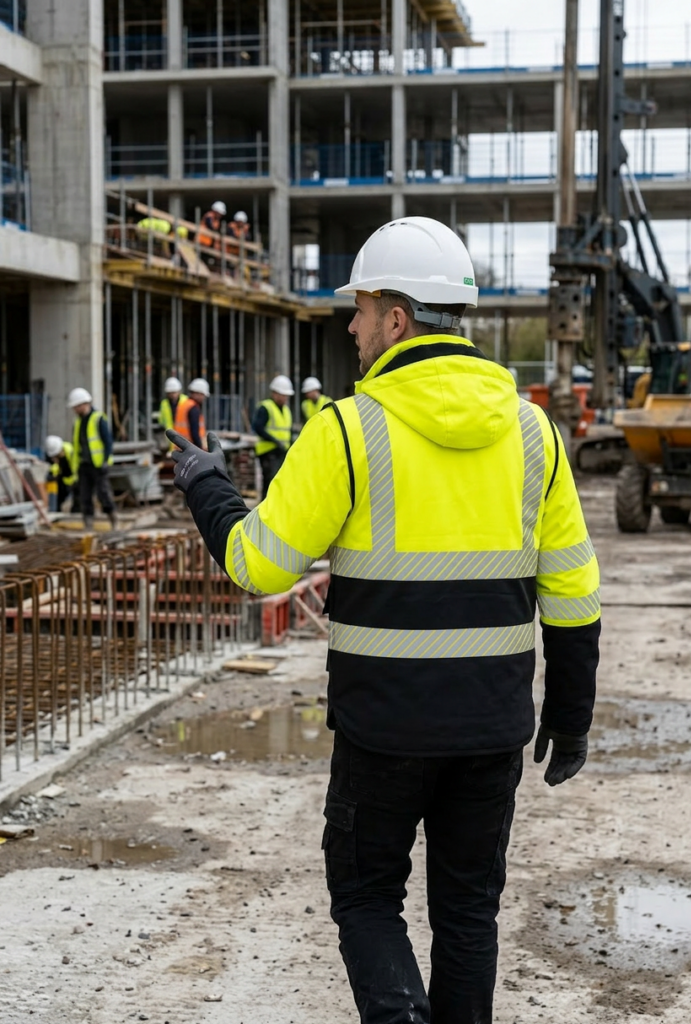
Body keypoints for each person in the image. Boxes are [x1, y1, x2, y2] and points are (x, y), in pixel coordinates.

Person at [166, 215, 600, 1024]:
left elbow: (259, 565)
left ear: (396, 318)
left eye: (360, 313)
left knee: (368, 901)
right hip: (491, 730)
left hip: (383, 734)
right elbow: (573, 592)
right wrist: (570, 719)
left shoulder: (348, 430)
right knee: (469, 915)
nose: (354, 332)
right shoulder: (534, 432)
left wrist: (207, 486)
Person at [68, 387, 117, 530]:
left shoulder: (98, 418)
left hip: (98, 464)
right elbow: (77, 444)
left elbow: (108, 442)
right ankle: (88, 525)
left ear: (83, 404)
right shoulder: (77, 422)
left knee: (104, 494)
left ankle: (113, 520)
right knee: (85, 496)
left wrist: (105, 461)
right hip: (84, 465)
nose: (74, 410)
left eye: (76, 407)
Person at [251, 375, 294, 497]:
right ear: (274, 393)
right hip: (268, 451)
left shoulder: (286, 410)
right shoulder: (265, 407)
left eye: (286, 395)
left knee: (280, 482)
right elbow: (258, 428)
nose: (285, 398)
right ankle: (265, 509)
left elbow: (288, 432)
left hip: (281, 451)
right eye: (283, 395)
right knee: (269, 481)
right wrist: (274, 441)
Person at [173, 378, 209, 450]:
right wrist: (200, 448)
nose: (203, 398)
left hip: (181, 447)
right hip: (190, 448)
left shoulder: (184, 404)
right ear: (197, 393)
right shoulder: (193, 408)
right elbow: (194, 432)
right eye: (202, 395)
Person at [44, 434, 76, 511]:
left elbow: (74, 469)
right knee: (58, 499)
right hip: (62, 480)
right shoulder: (51, 453)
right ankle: (55, 509)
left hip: (73, 480)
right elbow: (53, 466)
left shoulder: (70, 452)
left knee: (77, 502)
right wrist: (53, 474)